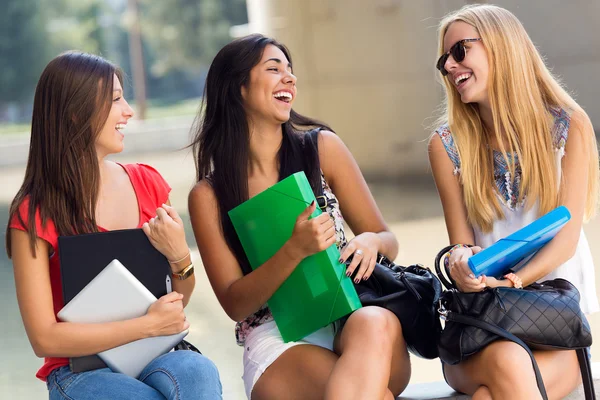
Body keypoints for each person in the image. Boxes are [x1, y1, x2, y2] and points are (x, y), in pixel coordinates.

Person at [188, 34, 411, 400]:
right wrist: (294, 250)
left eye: (290, 71)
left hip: (350, 314)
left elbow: (386, 238)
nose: (289, 79)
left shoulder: (322, 149)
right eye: (274, 70)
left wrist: (370, 241)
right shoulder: (209, 196)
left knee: (376, 322)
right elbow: (234, 304)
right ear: (238, 89)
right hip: (278, 338)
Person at [6, 51, 222, 400]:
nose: (128, 111)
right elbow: (43, 338)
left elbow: (177, 300)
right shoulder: (33, 215)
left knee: (199, 370)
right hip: (78, 370)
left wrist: (180, 254)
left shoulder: (149, 183)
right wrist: (147, 326)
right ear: (77, 113)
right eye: (116, 99)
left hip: (152, 354)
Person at [428, 4, 599, 400]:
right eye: (444, 60)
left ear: (502, 48)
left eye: (460, 51)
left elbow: (566, 242)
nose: (451, 67)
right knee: (508, 361)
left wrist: (511, 282)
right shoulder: (446, 145)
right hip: (482, 331)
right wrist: (461, 264)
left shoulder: (569, 126)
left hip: (554, 326)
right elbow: (461, 245)